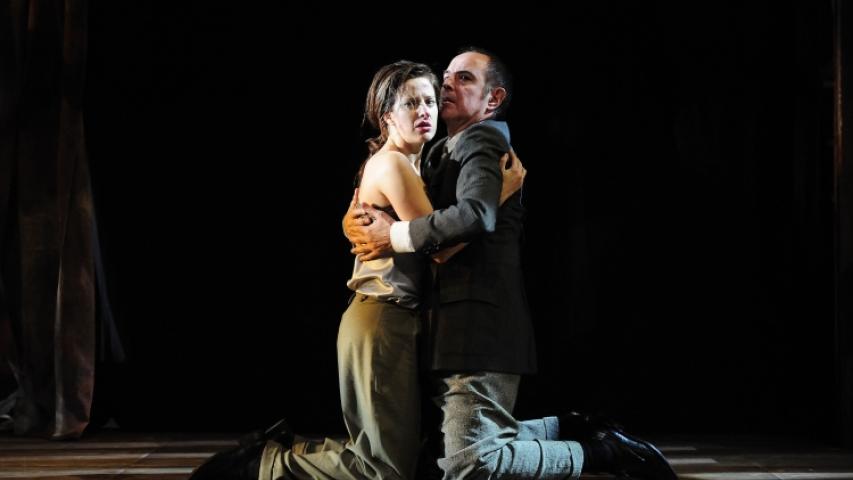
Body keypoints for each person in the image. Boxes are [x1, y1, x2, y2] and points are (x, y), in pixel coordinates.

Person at [345, 47, 678, 480]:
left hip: (477, 325)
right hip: (447, 325)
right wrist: (353, 220)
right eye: (446, 77)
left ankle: (600, 453)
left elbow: (475, 216)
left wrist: (391, 235)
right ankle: (570, 427)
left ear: (493, 99)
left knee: (468, 464)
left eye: (464, 78)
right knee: (437, 453)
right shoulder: (438, 151)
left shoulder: (482, 140)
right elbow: (390, 191)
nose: (446, 86)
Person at [188, 60, 524, 480]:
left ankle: (281, 451)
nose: (425, 110)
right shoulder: (395, 164)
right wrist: (499, 195)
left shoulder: (418, 163)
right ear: (387, 117)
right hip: (383, 316)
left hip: (393, 318)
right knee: (384, 469)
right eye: (411, 103)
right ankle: (263, 465)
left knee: (393, 457)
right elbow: (440, 248)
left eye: (429, 101)